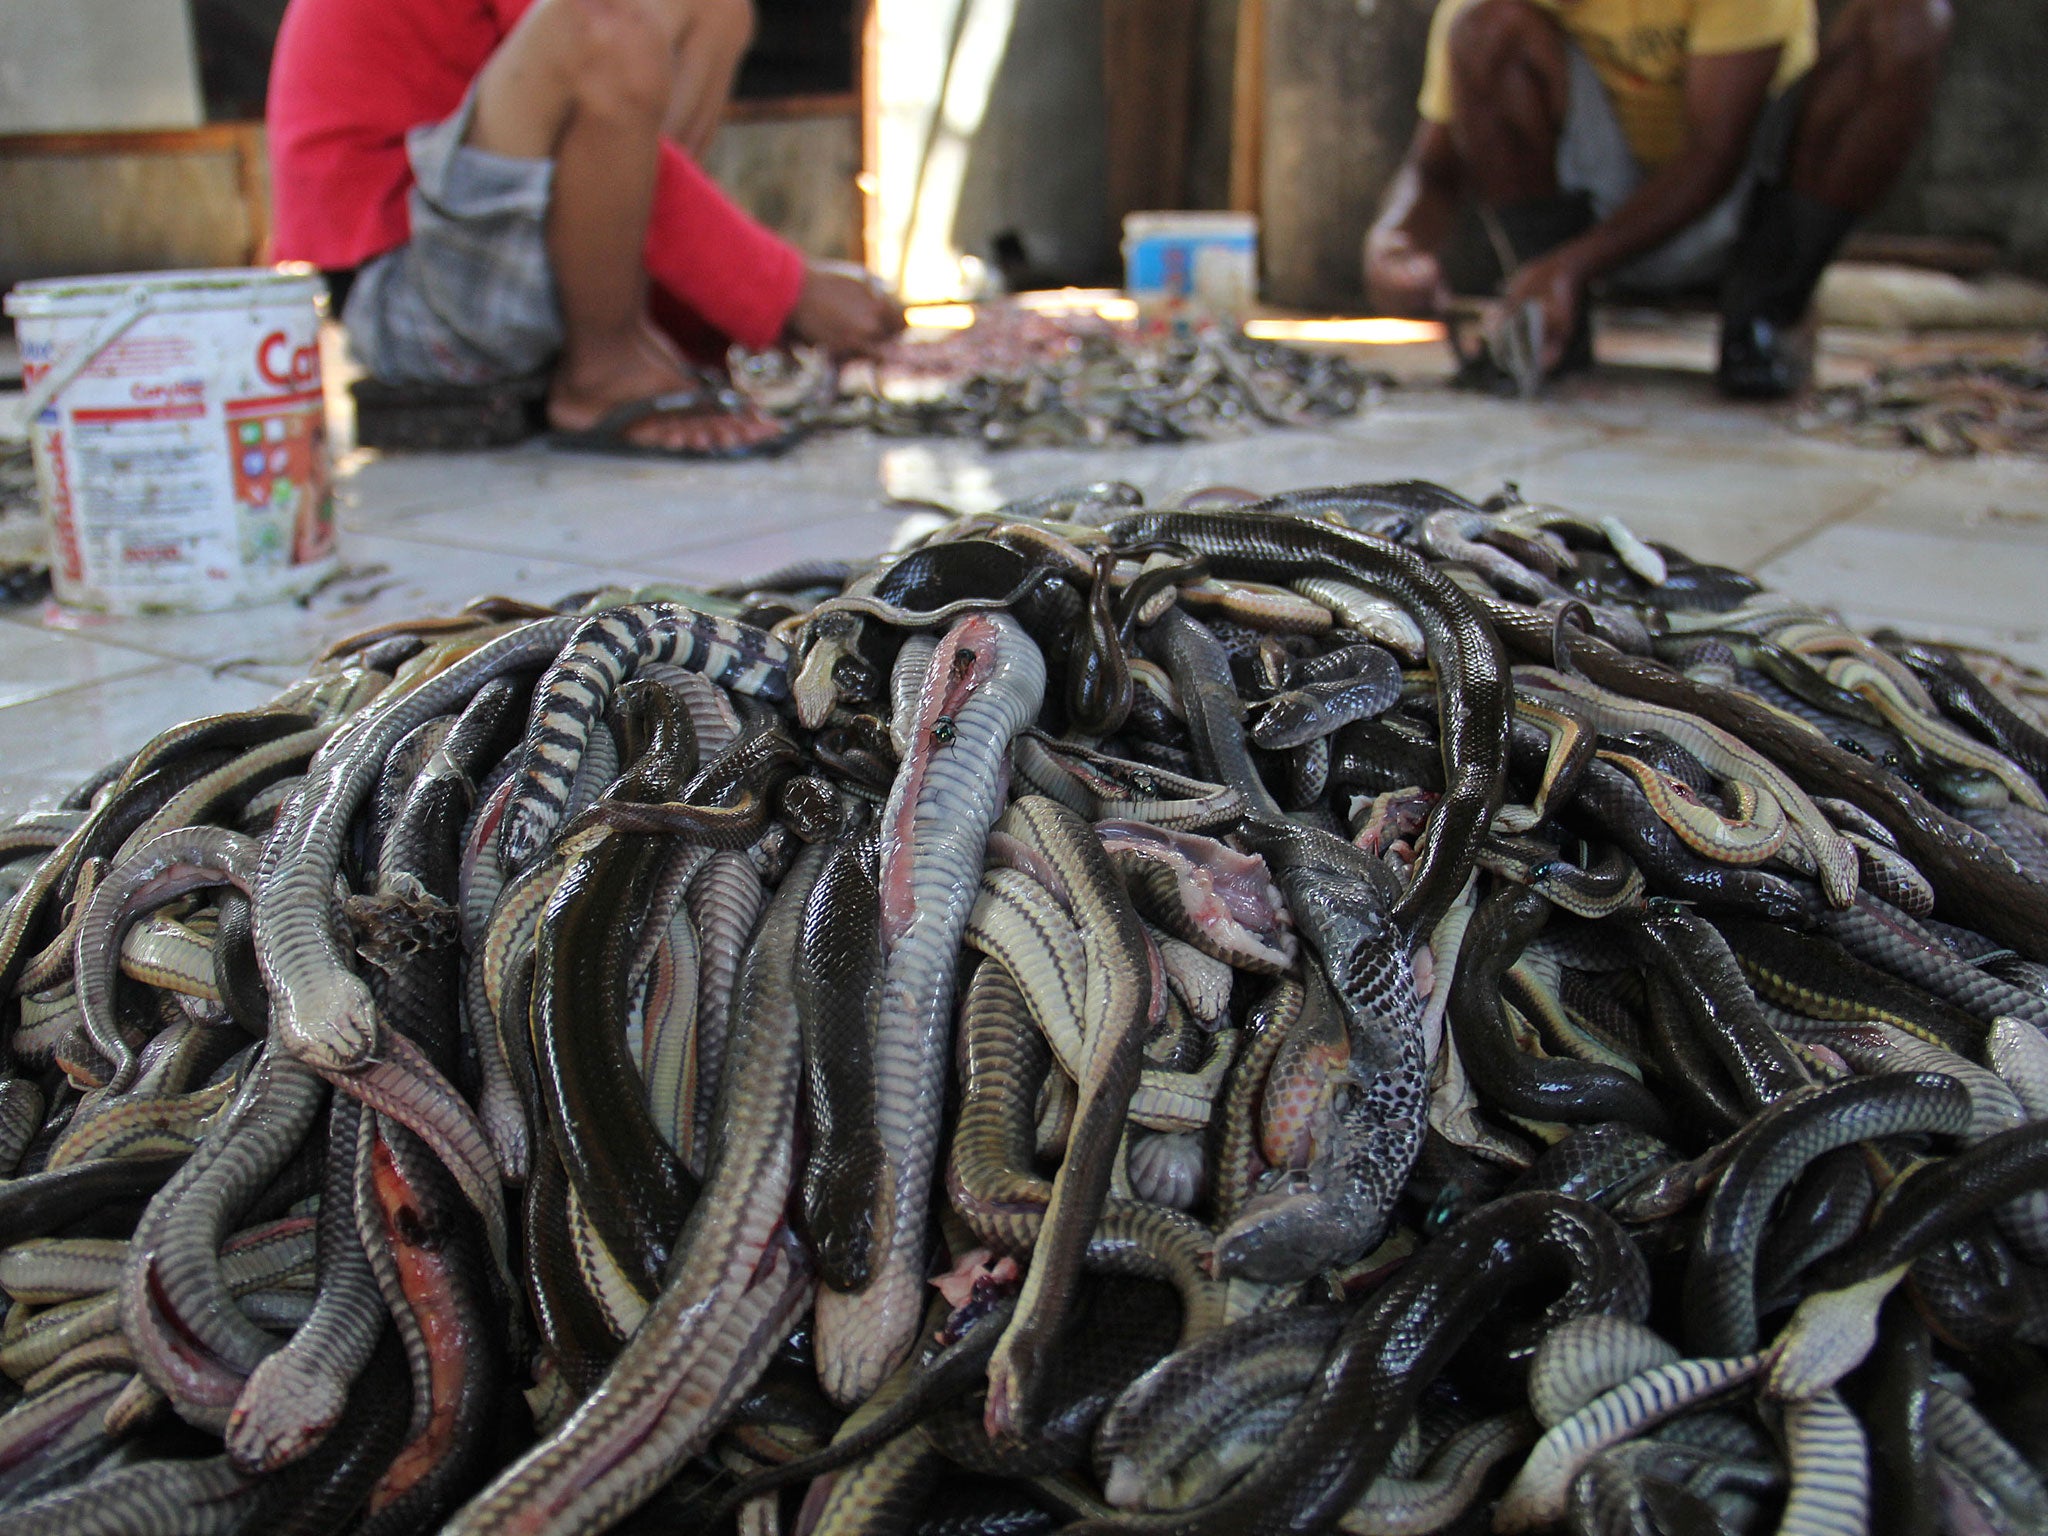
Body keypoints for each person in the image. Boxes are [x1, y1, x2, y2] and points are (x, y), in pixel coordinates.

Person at [267, 0, 904, 454]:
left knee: (712, 5)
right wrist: (786, 290)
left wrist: (744, 306)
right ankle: (603, 370)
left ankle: (633, 318)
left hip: (473, 260)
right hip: (407, 297)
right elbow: (592, 47)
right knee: (601, 31)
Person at [1364, 0, 1951, 398]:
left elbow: (1714, 157)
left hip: (1739, 208)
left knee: (1907, 18)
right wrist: (1392, 243)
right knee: (1486, 27)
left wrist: (1571, 265)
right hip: (1592, 210)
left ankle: (1765, 315)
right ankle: (1551, 322)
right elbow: (1434, 165)